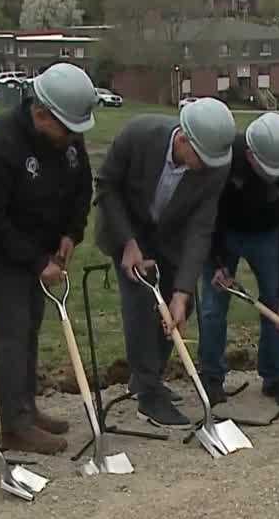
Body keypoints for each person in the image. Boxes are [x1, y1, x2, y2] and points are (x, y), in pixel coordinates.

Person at [0, 63, 97, 455]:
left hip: (39, 245)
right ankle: (13, 427)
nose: (74, 137)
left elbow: (81, 185)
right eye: (67, 128)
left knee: (32, 325)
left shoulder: (66, 136)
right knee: (13, 329)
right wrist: (38, 261)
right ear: (40, 113)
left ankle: (26, 408)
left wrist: (72, 233)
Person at [95, 97, 234, 428]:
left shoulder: (215, 165)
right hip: (126, 230)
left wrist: (183, 292)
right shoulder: (139, 134)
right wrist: (128, 243)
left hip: (170, 237)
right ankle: (149, 398)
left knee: (178, 310)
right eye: (201, 157)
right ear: (183, 139)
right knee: (143, 307)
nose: (206, 165)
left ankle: (147, 377)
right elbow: (106, 185)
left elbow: (201, 228)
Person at [198, 113, 279, 406]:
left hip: (267, 236)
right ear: (250, 155)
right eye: (271, 171)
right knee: (213, 305)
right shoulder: (225, 157)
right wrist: (218, 262)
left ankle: (275, 376)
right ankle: (211, 377)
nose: (277, 176)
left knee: (275, 304)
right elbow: (205, 214)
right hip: (223, 233)